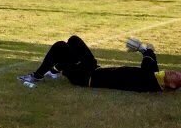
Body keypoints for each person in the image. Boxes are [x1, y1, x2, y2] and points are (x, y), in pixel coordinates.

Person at [17, 36, 181, 92]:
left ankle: (38, 76)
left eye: (175, 76)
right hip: (93, 69)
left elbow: (149, 66)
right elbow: (152, 65)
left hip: (85, 77)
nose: (174, 72)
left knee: (61, 47)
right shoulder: (155, 77)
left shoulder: (150, 83)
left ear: (172, 86)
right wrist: (146, 51)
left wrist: (143, 49)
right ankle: (55, 69)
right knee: (72, 41)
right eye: (177, 72)